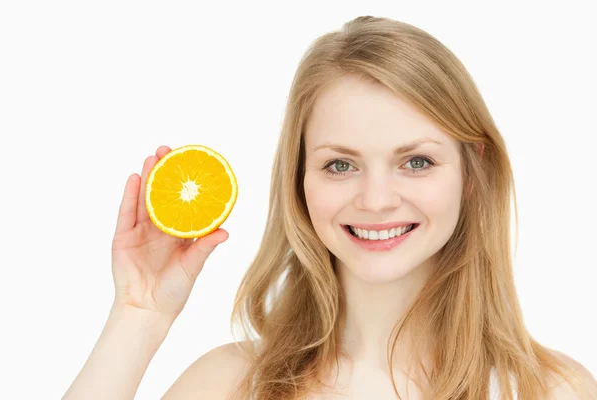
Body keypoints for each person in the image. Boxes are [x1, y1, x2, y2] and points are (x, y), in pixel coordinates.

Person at [63, 16, 597, 400]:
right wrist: (139, 316)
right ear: (298, 182)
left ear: (472, 174)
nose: (377, 199)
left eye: (416, 162)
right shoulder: (229, 385)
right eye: (341, 165)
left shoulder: (549, 391)